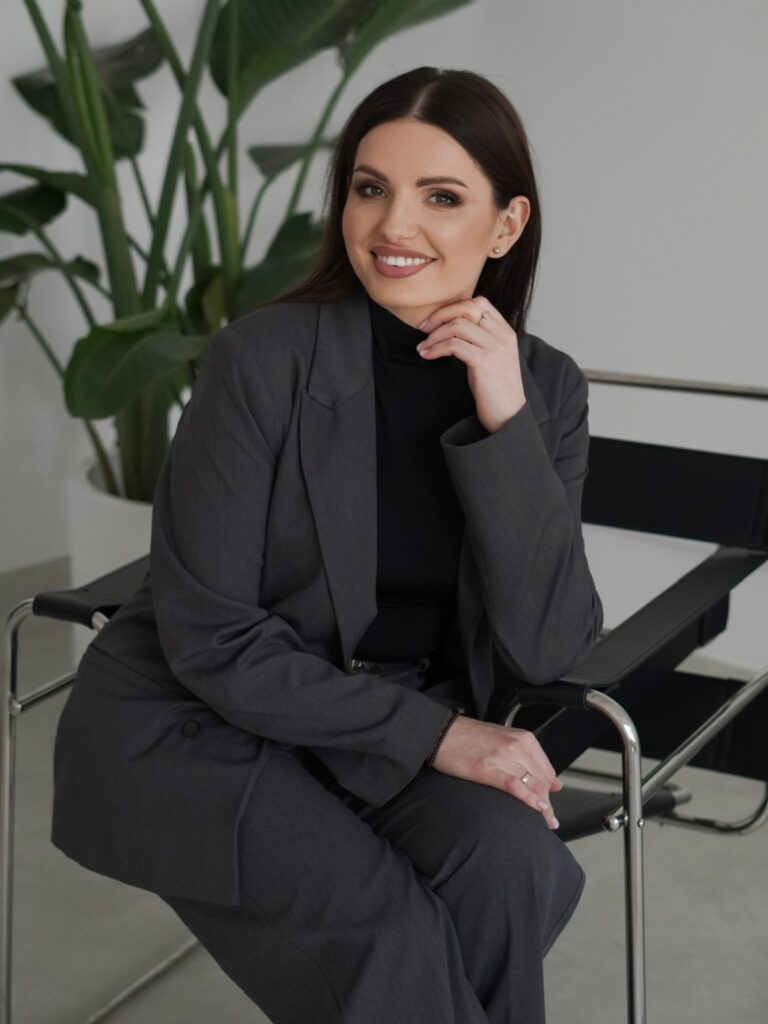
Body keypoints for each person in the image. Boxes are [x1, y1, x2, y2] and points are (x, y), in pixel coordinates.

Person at [51, 66, 603, 1023]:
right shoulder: (258, 361)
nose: (393, 226)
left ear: (506, 225)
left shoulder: (544, 389)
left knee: (509, 866)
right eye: (370, 187)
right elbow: (214, 639)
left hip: (383, 727)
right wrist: (441, 737)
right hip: (202, 725)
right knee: (387, 937)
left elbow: (550, 644)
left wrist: (505, 423)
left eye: (441, 197)